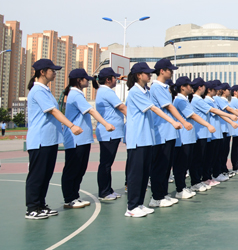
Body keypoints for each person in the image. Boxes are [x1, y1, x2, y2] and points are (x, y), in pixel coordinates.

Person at [25, 59, 81, 219]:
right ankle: (32, 208)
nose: (55, 72)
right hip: (40, 140)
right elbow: (54, 112)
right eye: (52, 70)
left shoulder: (46, 90)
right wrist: (71, 126)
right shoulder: (37, 91)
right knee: (37, 175)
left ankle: (41, 205)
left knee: (45, 175)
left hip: (50, 140)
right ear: (42, 72)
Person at [124, 62, 182, 218]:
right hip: (137, 139)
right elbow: (154, 108)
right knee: (136, 174)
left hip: (146, 138)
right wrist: (173, 121)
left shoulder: (145, 91)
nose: (150, 75)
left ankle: (139, 204)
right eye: (146, 73)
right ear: (138, 75)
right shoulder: (135, 92)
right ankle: (131, 206)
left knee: (144, 174)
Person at [61, 69, 116, 209]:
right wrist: (106, 124)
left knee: (80, 169)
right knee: (72, 169)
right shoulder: (75, 94)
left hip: (83, 139)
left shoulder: (77, 94)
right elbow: (91, 111)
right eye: (86, 78)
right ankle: (69, 198)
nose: (88, 80)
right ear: (79, 80)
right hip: (75, 139)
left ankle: (74, 196)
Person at [148, 59, 193, 208]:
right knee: (159, 166)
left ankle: (163, 194)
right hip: (161, 132)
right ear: (162, 71)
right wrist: (183, 122)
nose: (171, 72)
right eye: (169, 69)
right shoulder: (156, 88)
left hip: (169, 132)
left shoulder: (164, 88)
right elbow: (169, 108)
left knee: (166, 167)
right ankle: (156, 197)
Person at [171, 76, 214, 198]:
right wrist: (208, 125)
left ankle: (184, 187)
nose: (191, 87)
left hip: (188, 137)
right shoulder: (180, 100)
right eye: (189, 85)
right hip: (183, 137)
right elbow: (193, 115)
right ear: (182, 88)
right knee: (181, 165)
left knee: (186, 164)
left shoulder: (184, 100)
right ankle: (180, 189)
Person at [95, 68, 126, 201]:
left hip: (111, 132)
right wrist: (135, 118)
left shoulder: (103, 90)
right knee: (106, 164)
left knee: (107, 163)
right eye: (114, 78)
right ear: (108, 79)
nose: (116, 80)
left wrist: (120, 78)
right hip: (109, 133)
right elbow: (122, 107)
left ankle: (107, 189)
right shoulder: (106, 91)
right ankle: (104, 191)